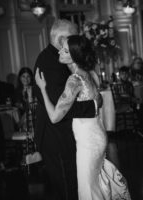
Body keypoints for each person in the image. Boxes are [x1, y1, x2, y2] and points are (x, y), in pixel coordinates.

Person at [35, 35, 131, 199]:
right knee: (96, 185)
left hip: (88, 142)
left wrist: (42, 88)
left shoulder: (74, 80)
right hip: (99, 136)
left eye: (65, 51)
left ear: (73, 57)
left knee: (87, 189)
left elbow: (54, 117)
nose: (60, 52)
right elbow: (98, 102)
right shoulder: (92, 74)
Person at [33, 19, 99, 200]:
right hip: (56, 137)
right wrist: (93, 106)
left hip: (71, 135)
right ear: (63, 39)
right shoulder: (50, 62)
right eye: (73, 38)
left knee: (79, 185)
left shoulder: (60, 59)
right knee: (68, 187)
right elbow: (57, 110)